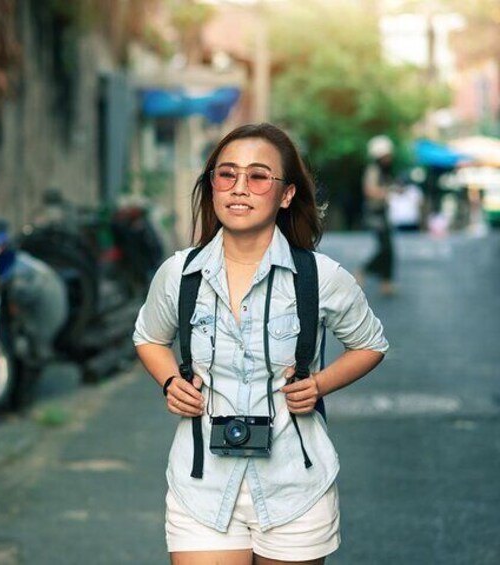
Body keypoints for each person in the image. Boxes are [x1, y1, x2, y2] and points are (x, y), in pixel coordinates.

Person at [133, 123, 388, 565]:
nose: (239, 188)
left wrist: (320, 384)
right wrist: (170, 381)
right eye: (226, 174)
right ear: (212, 185)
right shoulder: (180, 274)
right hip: (202, 486)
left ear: (286, 194)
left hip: (296, 486)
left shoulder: (319, 277)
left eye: (257, 177)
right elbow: (149, 337)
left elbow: (371, 344)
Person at [356, 135, 397, 295]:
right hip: (375, 213)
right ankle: (363, 270)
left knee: (388, 248)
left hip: (383, 212)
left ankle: (386, 282)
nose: (389, 158)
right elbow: (369, 190)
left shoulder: (384, 171)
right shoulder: (374, 170)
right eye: (387, 155)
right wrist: (386, 193)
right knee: (386, 248)